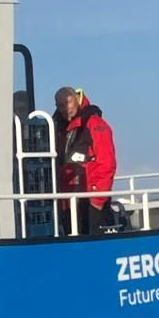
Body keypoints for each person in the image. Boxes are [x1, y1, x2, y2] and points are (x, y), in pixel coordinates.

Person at [54, 85, 117, 235]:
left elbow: (107, 164)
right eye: (60, 105)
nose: (65, 108)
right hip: (68, 201)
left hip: (91, 200)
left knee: (93, 241)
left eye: (67, 102)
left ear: (77, 98)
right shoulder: (58, 129)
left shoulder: (96, 124)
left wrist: (97, 200)